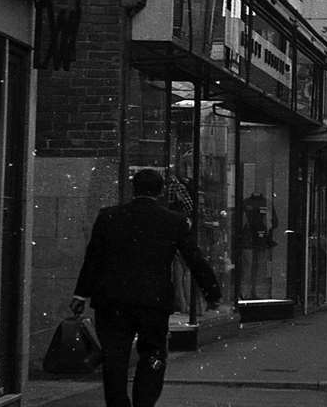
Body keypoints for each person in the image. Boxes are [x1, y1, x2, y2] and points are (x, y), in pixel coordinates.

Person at [72, 169, 222, 407]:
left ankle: (118, 402)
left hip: (113, 299)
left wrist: (80, 294)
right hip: (153, 301)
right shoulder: (173, 222)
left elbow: (93, 259)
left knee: (115, 357)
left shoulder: (108, 217)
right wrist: (212, 292)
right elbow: (194, 259)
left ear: (134, 189)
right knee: (153, 354)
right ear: (161, 191)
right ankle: (145, 399)